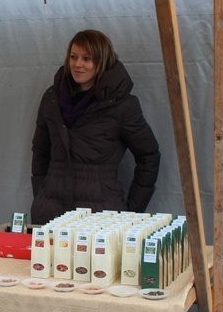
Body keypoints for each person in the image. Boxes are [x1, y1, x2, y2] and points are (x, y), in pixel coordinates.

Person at [31, 29, 160, 223]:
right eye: (73, 57)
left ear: (102, 62)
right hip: (51, 212)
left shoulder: (122, 105)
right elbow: (40, 152)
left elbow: (149, 156)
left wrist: (132, 211)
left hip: (101, 217)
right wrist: (41, 195)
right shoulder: (52, 98)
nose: (77, 64)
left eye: (87, 59)